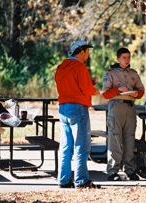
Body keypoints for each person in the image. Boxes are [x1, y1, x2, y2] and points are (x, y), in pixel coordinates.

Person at [55, 40, 101, 188]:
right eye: (87, 52)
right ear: (81, 52)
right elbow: (86, 90)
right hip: (78, 108)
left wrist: (89, 82)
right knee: (82, 145)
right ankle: (81, 181)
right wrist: (96, 91)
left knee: (66, 145)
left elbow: (71, 85)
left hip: (63, 108)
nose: (88, 55)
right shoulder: (80, 67)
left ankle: (63, 179)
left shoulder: (61, 67)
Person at [102, 47, 145, 181]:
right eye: (124, 58)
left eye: (128, 57)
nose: (127, 60)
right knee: (115, 140)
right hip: (116, 107)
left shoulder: (133, 73)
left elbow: (141, 91)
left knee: (129, 140)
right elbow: (105, 94)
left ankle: (130, 170)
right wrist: (118, 89)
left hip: (130, 108)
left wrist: (135, 93)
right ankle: (113, 171)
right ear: (118, 59)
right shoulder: (111, 74)